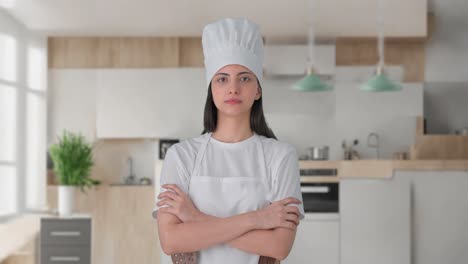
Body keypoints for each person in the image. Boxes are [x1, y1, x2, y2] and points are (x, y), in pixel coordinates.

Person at [152, 17, 305, 264]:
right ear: (211, 89)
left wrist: (195, 219)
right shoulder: (181, 156)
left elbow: (279, 246)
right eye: (222, 79)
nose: (233, 88)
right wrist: (257, 219)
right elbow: (171, 240)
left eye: (244, 78)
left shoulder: (281, 156)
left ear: (258, 89)